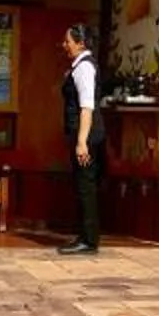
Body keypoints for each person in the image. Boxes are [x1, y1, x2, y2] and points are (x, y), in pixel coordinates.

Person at [59, 24, 103, 255]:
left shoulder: (84, 68)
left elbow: (86, 107)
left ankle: (89, 240)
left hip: (87, 135)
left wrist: (81, 142)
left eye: (68, 41)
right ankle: (85, 236)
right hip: (82, 134)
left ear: (81, 43)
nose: (65, 45)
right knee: (82, 185)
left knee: (86, 186)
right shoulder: (78, 67)